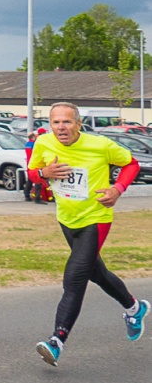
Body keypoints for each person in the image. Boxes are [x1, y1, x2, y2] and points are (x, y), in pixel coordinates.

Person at [28, 101, 149, 367]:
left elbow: (132, 164)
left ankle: (57, 340)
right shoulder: (43, 144)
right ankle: (134, 308)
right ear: (50, 125)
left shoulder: (100, 145)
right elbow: (32, 173)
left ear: (79, 124)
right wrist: (43, 173)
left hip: (96, 218)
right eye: (56, 122)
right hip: (67, 219)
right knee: (95, 272)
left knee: (75, 276)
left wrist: (117, 189)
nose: (61, 127)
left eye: (67, 121)